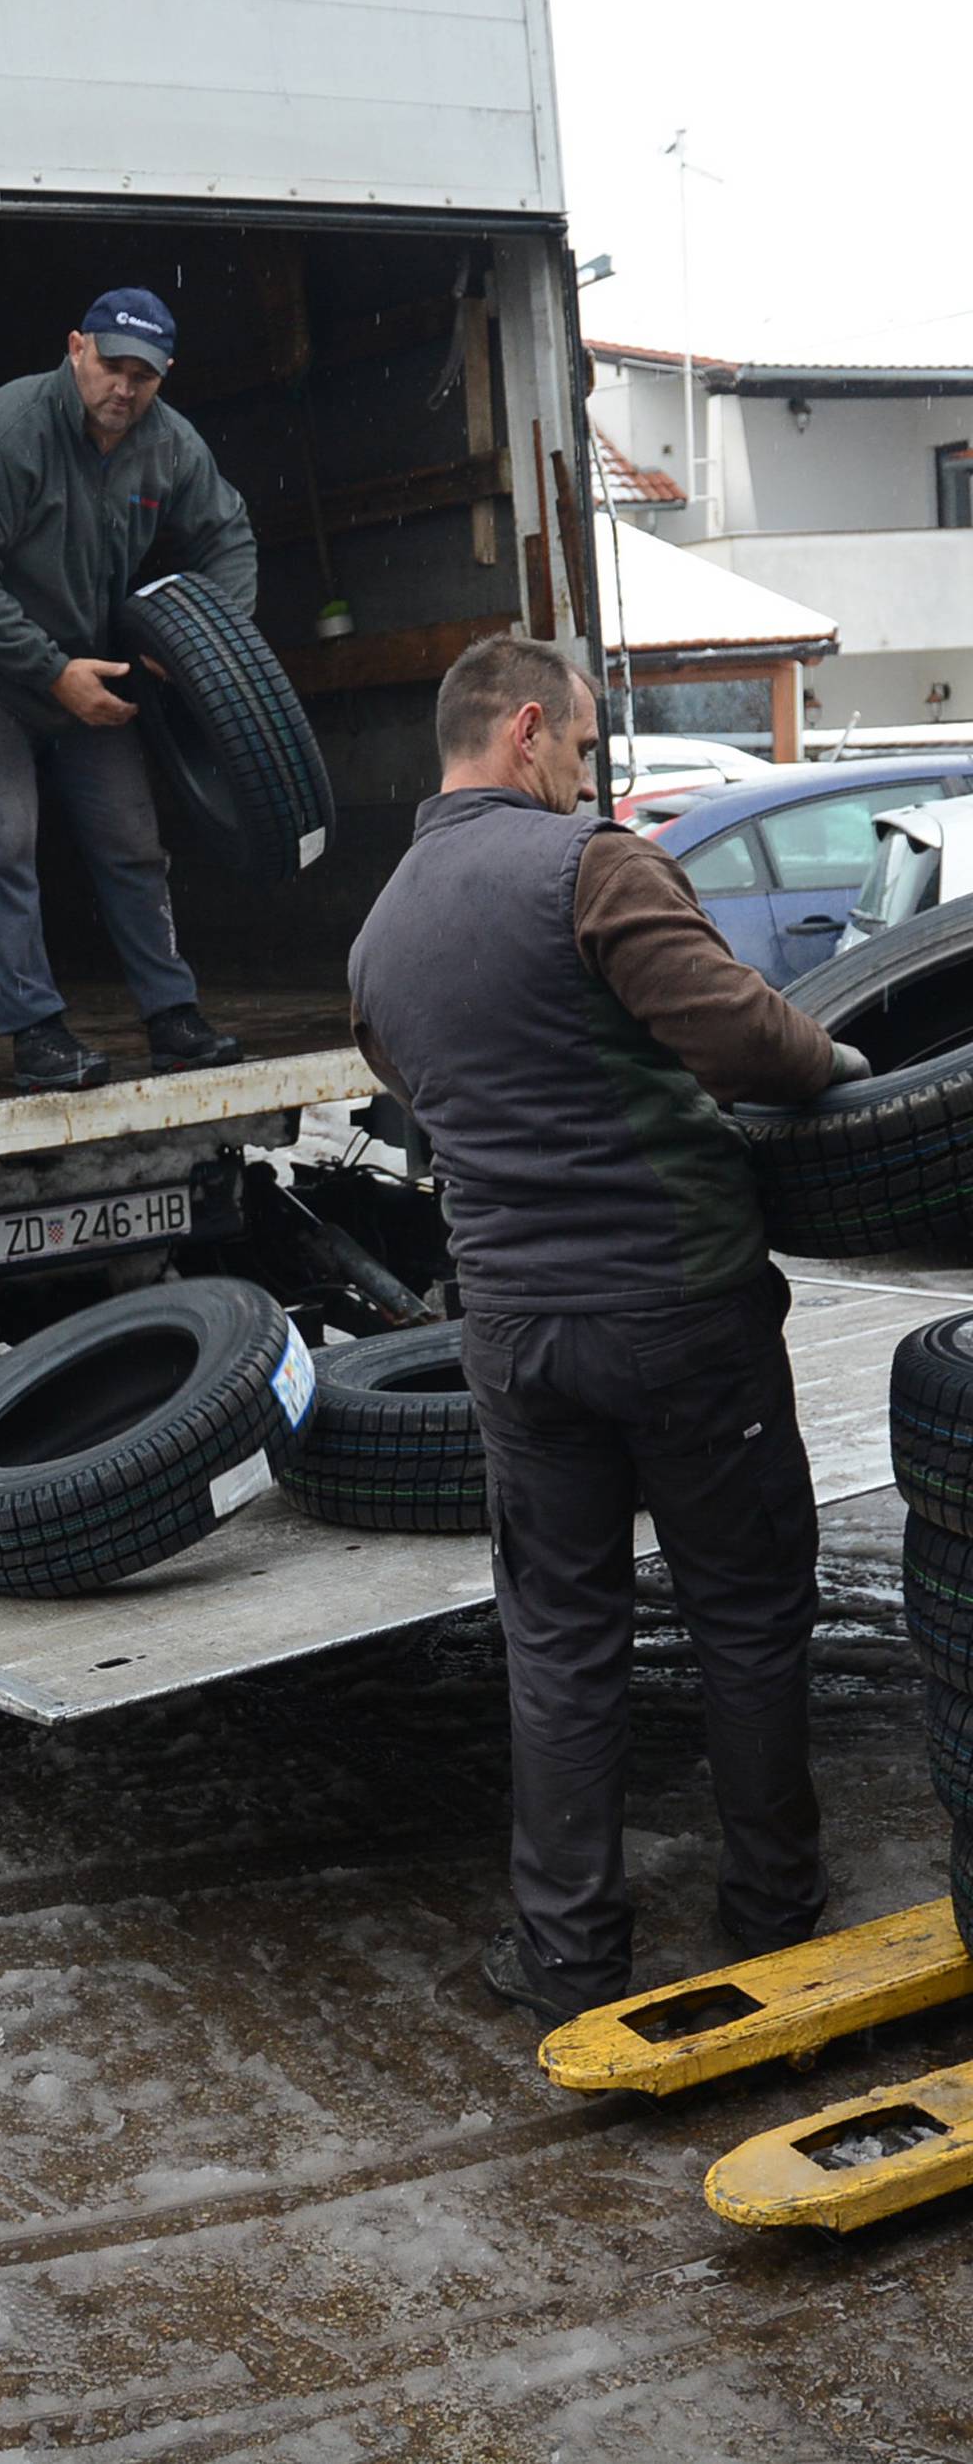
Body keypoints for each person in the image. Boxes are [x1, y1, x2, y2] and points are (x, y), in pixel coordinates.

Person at [346, 635, 871, 2023]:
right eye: (580, 746)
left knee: (562, 1635)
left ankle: (568, 1955)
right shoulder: (587, 864)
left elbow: (413, 1085)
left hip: (516, 1333)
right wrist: (842, 1067)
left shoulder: (382, 927)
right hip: (677, 1309)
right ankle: (769, 1918)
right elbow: (744, 1040)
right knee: (748, 1613)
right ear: (526, 729)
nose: (588, 772)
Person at [0, 286, 256, 1092]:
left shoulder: (168, 445)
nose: (124, 388)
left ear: (164, 377)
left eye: (145, 374)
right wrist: (47, 671)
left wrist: (211, 642)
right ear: (77, 348)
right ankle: (37, 1032)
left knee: (133, 846)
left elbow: (228, 532)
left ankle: (172, 1018)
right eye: (111, 365)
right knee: (2, 848)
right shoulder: (4, 434)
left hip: (89, 672)